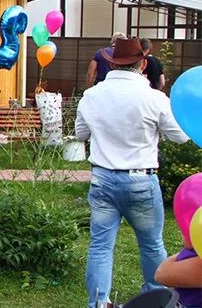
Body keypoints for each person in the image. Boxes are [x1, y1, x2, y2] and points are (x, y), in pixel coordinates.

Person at [75, 38, 189, 308]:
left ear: (112, 62)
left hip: (102, 178)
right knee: (151, 245)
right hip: (140, 178)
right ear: (144, 64)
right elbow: (181, 137)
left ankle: (99, 303)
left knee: (101, 245)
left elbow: (81, 134)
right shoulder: (154, 98)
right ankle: (158, 298)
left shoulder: (92, 96)